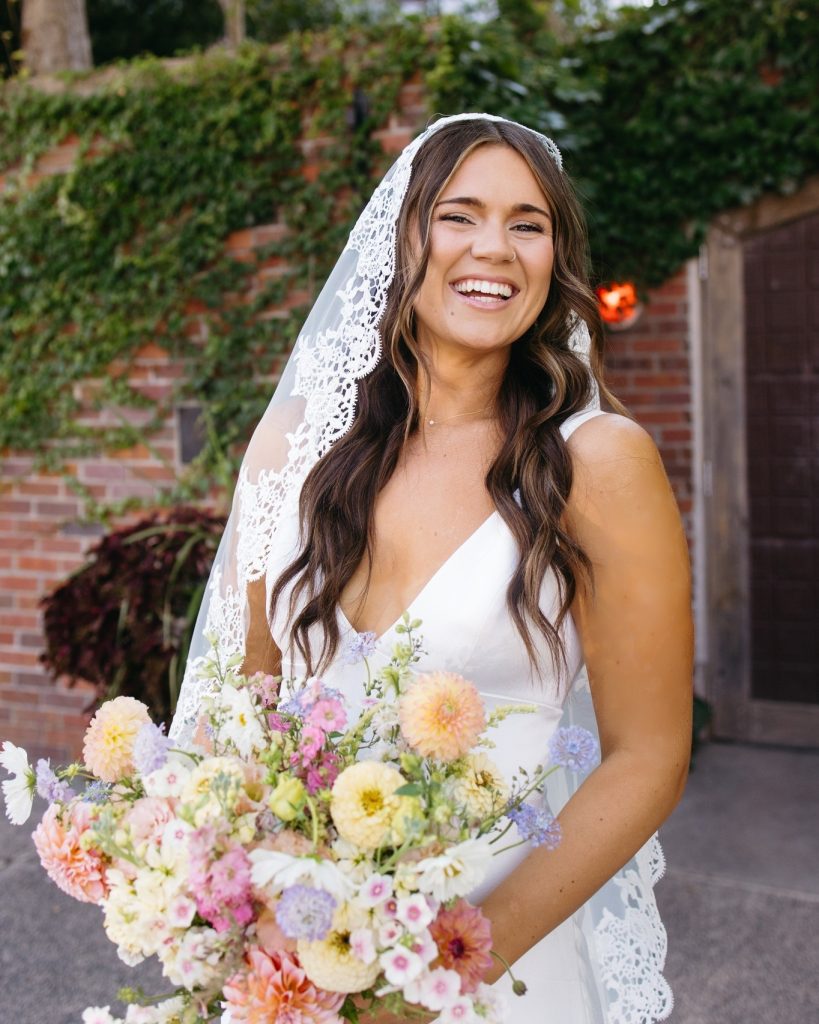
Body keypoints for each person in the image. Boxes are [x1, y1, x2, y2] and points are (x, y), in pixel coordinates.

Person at [171, 113, 694, 1023]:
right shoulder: (291, 447)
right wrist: (225, 911)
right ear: (400, 237)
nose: (494, 248)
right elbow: (236, 703)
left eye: (528, 224)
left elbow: (646, 756)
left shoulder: (596, 463)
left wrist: (446, 968)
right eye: (459, 215)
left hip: (495, 972)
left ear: (554, 259)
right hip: (294, 961)